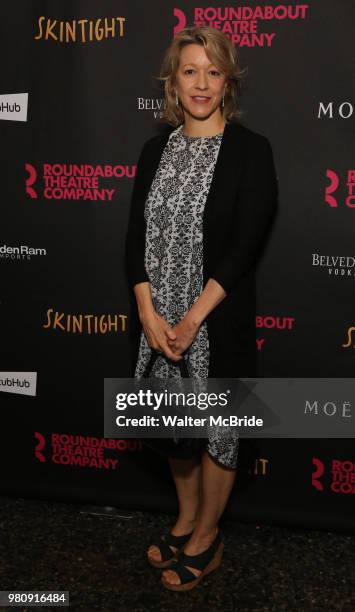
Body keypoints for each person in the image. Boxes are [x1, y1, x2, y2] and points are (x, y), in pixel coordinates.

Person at [125, 26, 278, 591]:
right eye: (190, 70)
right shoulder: (153, 149)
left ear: (228, 81)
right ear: (173, 80)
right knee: (173, 420)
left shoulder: (250, 150)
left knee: (218, 428)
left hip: (214, 320)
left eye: (213, 72)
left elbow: (245, 246)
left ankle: (208, 537)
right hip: (156, 321)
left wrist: (191, 320)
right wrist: (147, 312)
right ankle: (186, 518)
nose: (201, 83)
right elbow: (133, 238)